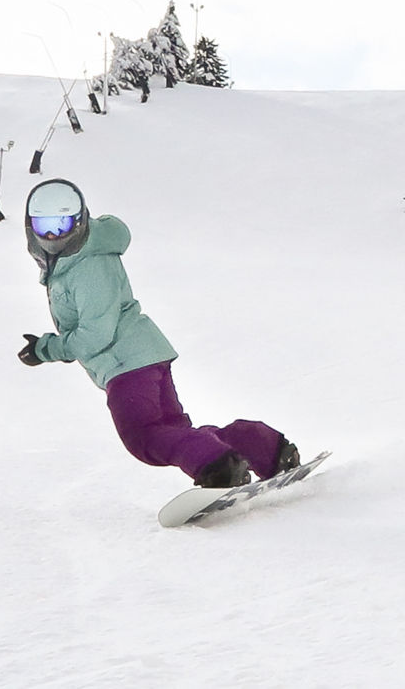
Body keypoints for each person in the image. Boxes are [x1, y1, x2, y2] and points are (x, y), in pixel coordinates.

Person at [16, 179, 300, 489]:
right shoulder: (74, 263)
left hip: (126, 364)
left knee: (145, 438)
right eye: (44, 226)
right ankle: (265, 449)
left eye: (63, 223)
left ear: (80, 221)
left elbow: (97, 333)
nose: (54, 235)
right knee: (171, 430)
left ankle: (218, 465)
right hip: (142, 357)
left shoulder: (87, 266)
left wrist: (46, 349)